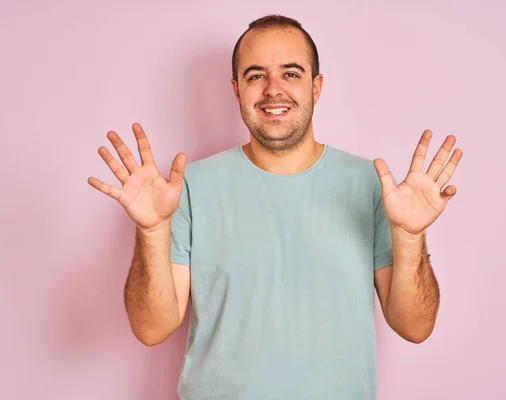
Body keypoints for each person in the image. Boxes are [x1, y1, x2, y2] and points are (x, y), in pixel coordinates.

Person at [88, 14, 463, 400]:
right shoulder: (187, 188)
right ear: (236, 89)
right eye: (255, 75)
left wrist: (410, 235)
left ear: (316, 86)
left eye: (291, 73)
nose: (273, 89)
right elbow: (152, 329)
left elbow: (415, 327)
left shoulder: (373, 184)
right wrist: (151, 232)